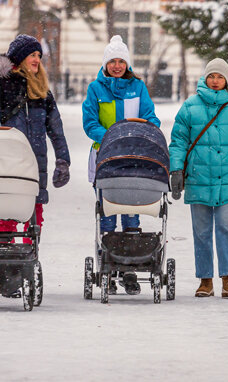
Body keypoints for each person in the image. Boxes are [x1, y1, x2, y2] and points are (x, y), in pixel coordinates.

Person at [168, 58, 228, 298]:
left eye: (220, 77)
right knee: (201, 231)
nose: (215, 81)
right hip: (198, 177)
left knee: (225, 227)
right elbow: (178, 142)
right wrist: (176, 170)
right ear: (205, 78)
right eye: (212, 76)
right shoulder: (190, 107)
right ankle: (205, 280)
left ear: (227, 79)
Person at [81, 35, 160, 295]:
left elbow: (150, 117)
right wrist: (109, 138)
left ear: (127, 63)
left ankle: (129, 266)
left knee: (131, 209)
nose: (117, 66)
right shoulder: (96, 89)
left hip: (134, 157)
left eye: (121, 61)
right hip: (105, 157)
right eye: (112, 61)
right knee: (107, 211)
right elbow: (90, 121)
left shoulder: (137, 87)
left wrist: (146, 134)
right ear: (105, 64)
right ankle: (108, 267)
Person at [0, 34, 71, 244]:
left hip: (36, 162)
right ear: (20, 57)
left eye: (38, 55)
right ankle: (3, 255)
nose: (36, 59)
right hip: (9, 161)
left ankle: (30, 258)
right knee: (8, 210)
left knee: (35, 216)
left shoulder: (42, 91)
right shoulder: (1, 85)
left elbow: (56, 129)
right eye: (32, 54)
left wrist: (63, 160)